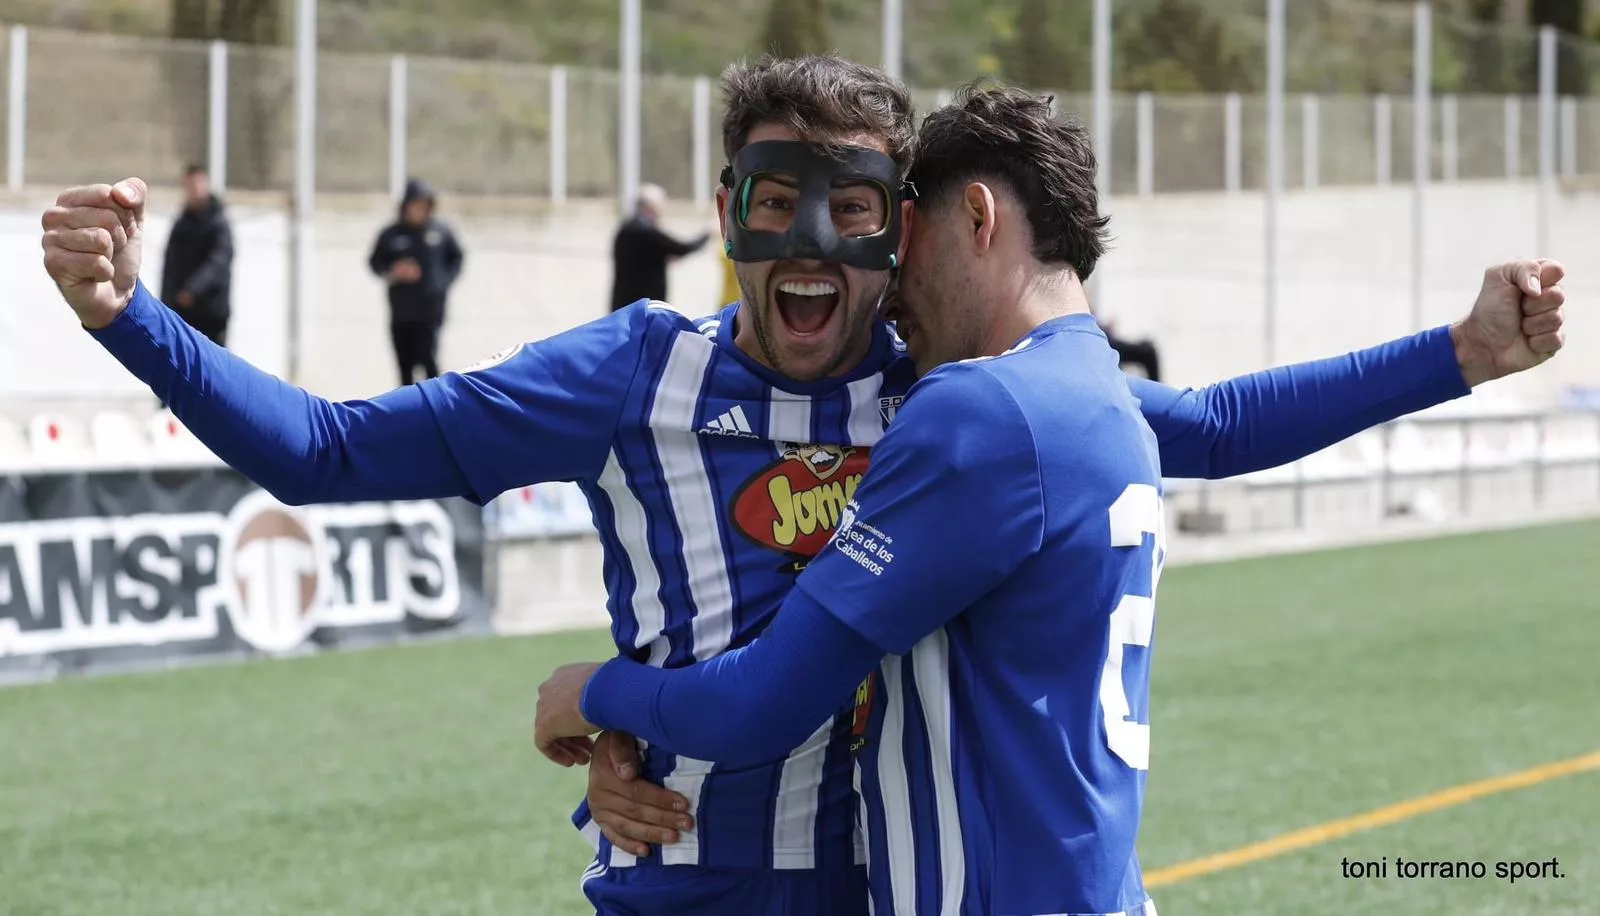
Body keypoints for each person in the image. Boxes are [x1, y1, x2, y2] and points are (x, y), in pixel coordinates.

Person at [38, 54, 1565, 916]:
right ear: (726, 215)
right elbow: (326, 451)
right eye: (780, 203)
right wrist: (128, 317)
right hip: (679, 893)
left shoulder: (947, 391)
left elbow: (1207, 423)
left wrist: (1458, 354)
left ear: (907, 226)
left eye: (856, 209)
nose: (816, 247)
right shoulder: (632, 373)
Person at [532, 85, 1573, 916]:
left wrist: (598, 693)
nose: (890, 287)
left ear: (977, 217)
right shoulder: (1090, 396)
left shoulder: (975, 411)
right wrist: (1461, 352)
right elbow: (1221, 425)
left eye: (908, 244)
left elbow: (763, 702)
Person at [368, 178, 464, 385]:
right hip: (401, 312)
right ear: (405, 206)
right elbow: (375, 263)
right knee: (405, 368)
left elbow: (457, 258)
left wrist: (442, 282)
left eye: (424, 205)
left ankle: (436, 404)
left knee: (429, 362)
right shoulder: (391, 234)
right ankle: (408, 405)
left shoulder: (441, 232)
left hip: (431, 311)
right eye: (415, 204)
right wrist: (394, 271)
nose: (419, 210)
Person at [161, 164, 233, 348]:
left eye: (198, 184)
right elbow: (170, 265)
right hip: (182, 313)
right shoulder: (181, 223)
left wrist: (192, 290)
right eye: (190, 186)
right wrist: (165, 303)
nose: (194, 191)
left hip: (211, 312)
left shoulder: (218, 222)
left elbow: (218, 262)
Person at [609, 183, 710, 312]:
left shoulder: (627, 227)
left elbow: (647, 255)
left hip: (624, 304)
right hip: (643, 307)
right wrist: (706, 235)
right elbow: (682, 248)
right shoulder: (646, 231)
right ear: (651, 206)